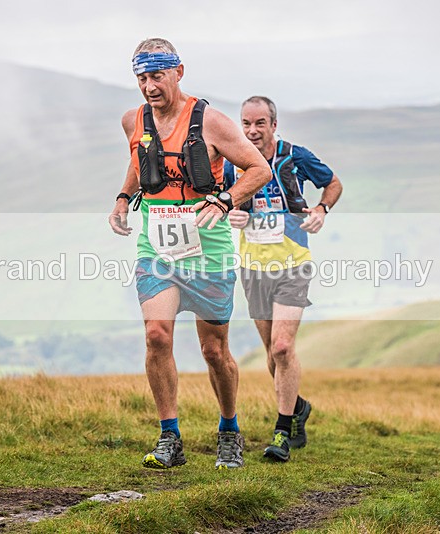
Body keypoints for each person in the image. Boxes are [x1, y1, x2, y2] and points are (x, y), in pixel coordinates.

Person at [108, 38, 271, 470]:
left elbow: (260, 169)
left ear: (178, 71)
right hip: (157, 245)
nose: (149, 86)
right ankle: (170, 437)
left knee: (214, 350)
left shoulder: (212, 122)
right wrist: (124, 199)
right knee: (156, 335)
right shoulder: (133, 120)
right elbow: (138, 162)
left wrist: (224, 201)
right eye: (141, 78)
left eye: (156, 76)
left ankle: (229, 431)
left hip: (209, 247)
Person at [224, 96, 342, 462]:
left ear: (274, 125)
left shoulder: (295, 156)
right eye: (246, 123)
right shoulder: (234, 163)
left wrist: (322, 209)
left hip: (293, 264)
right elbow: (222, 199)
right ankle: (298, 407)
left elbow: (333, 183)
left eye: (260, 123)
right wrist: (232, 211)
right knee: (272, 356)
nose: (252, 130)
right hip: (253, 267)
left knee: (282, 347)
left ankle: (281, 431)